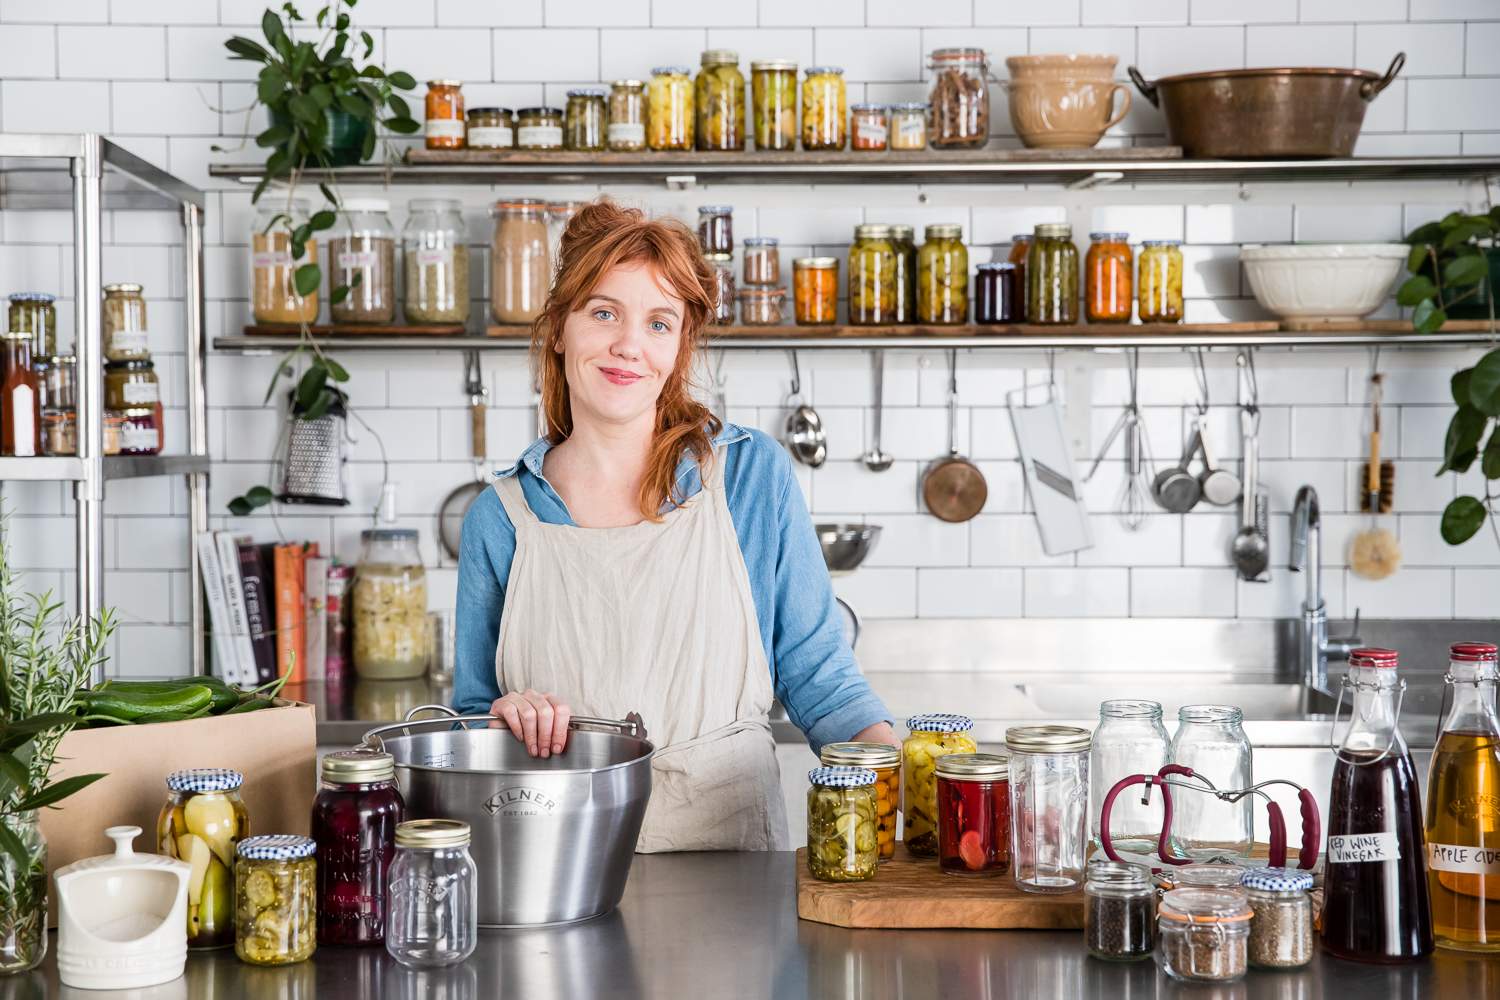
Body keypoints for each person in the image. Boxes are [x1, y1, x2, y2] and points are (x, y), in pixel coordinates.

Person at [453, 199, 894, 852]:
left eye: (659, 323)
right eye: (604, 312)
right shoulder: (502, 518)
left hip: (733, 876)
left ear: (679, 346)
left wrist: (911, 786)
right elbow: (469, 722)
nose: (630, 345)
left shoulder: (747, 481)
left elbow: (823, 684)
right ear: (558, 329)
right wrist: (497, 720)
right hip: (555, 868)